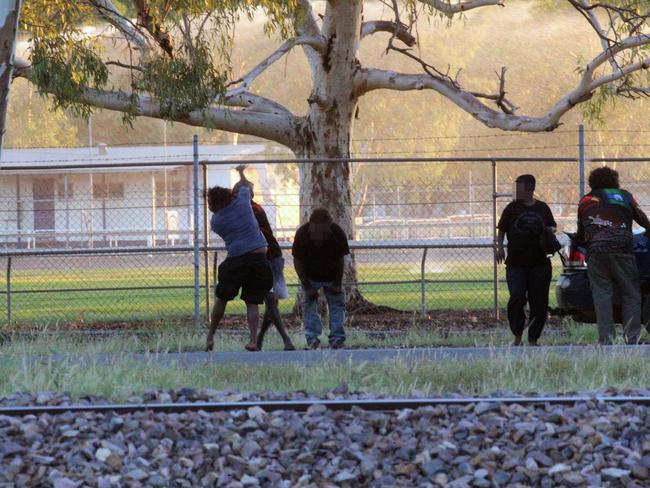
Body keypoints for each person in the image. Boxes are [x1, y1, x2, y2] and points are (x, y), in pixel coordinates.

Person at [577, 166, 650, 345]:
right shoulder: (625, 196)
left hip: (596, 252)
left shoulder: (586, 200)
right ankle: (632, 338)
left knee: (602, 294)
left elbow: (581, 232)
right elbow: (642, 219)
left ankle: (606, 340)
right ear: (614, 180)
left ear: (592, 182)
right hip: (623, 250)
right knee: (631, 293)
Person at [205, 169, 272, 352]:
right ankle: (252, 340)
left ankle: (211, 335)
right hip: (259, 257)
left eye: (209, 202)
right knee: (252, 301)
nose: (208, 205)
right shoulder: (243, 203)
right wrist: (241, 173)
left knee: (222, 298)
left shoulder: (216, 222)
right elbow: (246, 186)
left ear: (215, 203)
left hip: (237, 260)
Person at [231, 166, 295, 351]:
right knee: (270, 301)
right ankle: (260, 340)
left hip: (266, 258)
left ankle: (286, 340)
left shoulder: (250, 210)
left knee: (269, 299)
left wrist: (241, 175)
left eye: (238, 193)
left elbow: (244, 187)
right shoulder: (252, 208)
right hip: (270, 256)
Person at [496, 174, 557, 346]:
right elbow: (501, 230)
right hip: (516, 263)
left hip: (540, 263)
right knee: (516, 296)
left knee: (539, 302)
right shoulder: (511, 209)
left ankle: (533, 339)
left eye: (519, 187)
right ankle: (517, 335)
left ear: (529, 189)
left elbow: (553, 226)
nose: (516, 191)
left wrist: (548, 230)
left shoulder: (543, 208)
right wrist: (500, 248)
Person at [292, 208, 350, 349]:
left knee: (337, 305)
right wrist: (307, 285)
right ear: (311, 226)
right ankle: (312, 339)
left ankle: (337, 339)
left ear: (329, 227)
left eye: (324, 233)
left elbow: (340, 260)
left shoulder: (337, 233)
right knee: (308, 307)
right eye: (317, 233)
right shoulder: (302, 234)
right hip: (310, 276)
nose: (320, 237)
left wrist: (337, 283)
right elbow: (298, 261)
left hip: (332, 275)